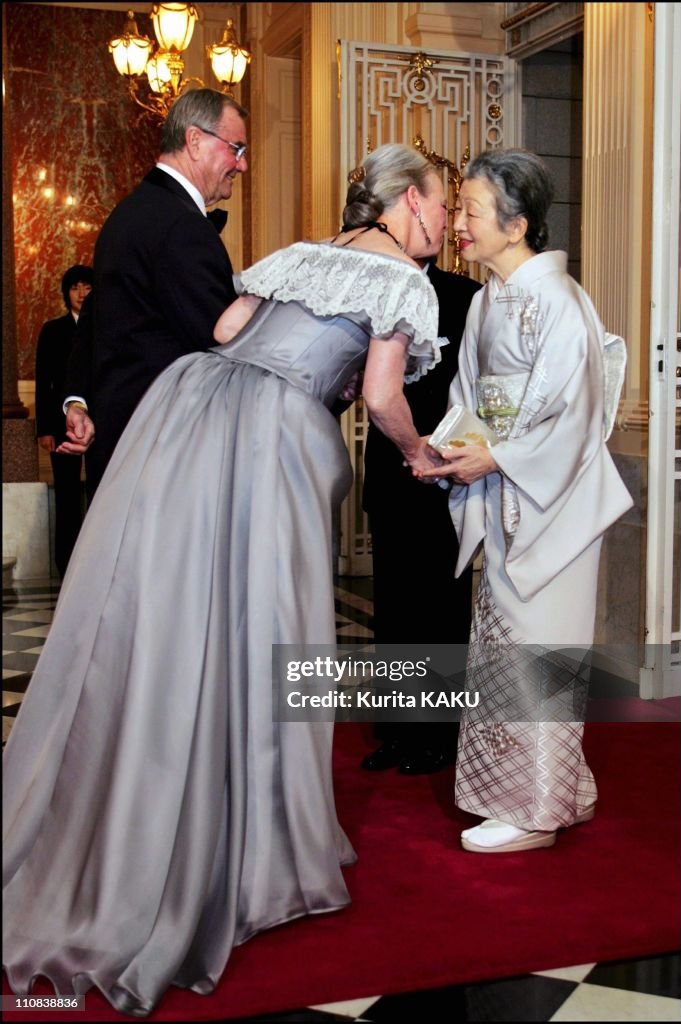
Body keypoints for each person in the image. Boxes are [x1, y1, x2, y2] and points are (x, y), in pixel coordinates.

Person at [3, 142, 449, 1016]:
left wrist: (303, 355)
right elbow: (389, 396)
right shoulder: (402, 281)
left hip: (191, 410)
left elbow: (224, 330)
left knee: (171, 612)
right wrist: (413, 448)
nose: (444, 224)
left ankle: (149, 793)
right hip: (270, 441)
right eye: (437, 203)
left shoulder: (300, 252)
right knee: (266, 626)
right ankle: (252, 841)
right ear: (405, 203)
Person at [418, 148, 633, 852]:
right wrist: (452, 450)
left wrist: (497, 455)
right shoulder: (486, 300)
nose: (459, 225)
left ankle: (536, 811)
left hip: (554, 504)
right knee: (504, 647)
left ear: (516, 227)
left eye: (471, 212)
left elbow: (574, 417)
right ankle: (556, 786)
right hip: (508, 491)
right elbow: (472, 397)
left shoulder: (561, 301)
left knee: (539, 648)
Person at [59, 88, 247, 497]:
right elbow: (226, 342)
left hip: (122, 440)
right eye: (236, 148)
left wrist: (78, 399)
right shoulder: (180, 225)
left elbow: (96, 316)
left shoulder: (129, 212)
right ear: (195, 141)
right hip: (163, 450)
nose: (243, 164)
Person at [361, 255, 480, 775]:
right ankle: (396, 732)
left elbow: (480, 387)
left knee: (441, 609)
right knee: (393, 609)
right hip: (389, 472)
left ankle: (440, 736)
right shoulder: (372, 291)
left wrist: (456, 452)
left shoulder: (465, 296)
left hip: (446, 470)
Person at [34, 265, 93, 577]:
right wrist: (44, 429)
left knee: (101, 493)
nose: (82, 294)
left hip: (100, 426)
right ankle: (67, 565)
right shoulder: (53, 330)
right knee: (67, 497)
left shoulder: (104, 329)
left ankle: (96, 565)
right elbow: (44, 383)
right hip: (61, 427)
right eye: (75, 288)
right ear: (66, 293)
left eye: (87, 287)